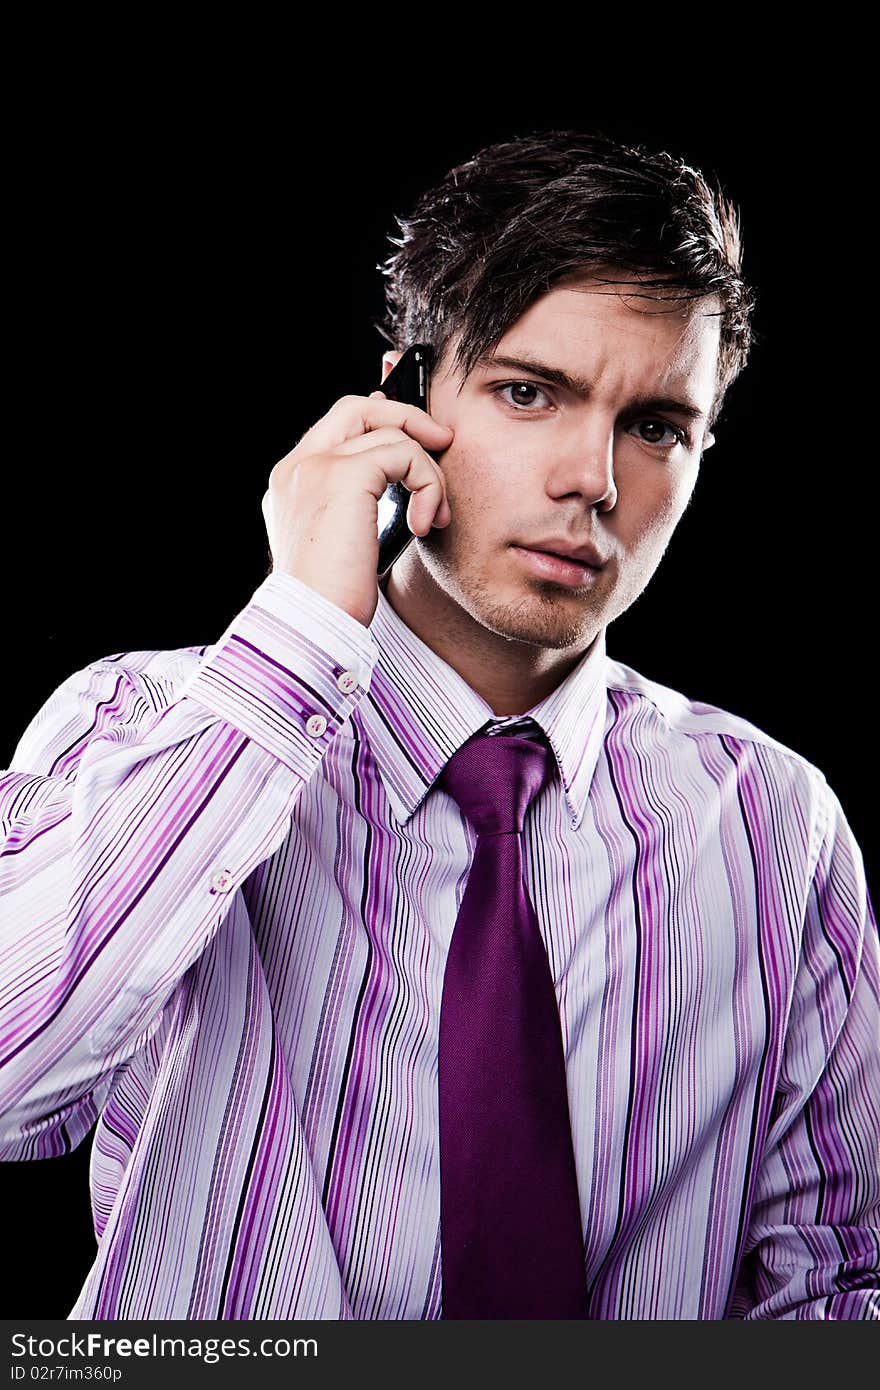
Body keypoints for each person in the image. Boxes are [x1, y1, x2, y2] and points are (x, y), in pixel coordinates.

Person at [1, 129, 877, 1321]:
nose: (593, 481)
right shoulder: (146, 725)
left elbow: (837, 1281)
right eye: (529, 392)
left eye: (656, 426)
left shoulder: (776, 825)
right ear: (408, 399)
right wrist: (300, 628)